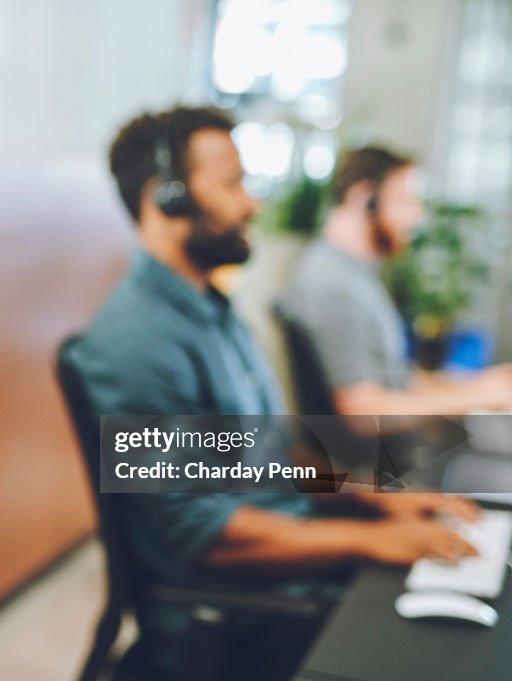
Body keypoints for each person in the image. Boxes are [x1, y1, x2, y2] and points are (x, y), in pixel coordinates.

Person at [67, 106, 480, 681]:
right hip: (248, 611)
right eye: (233, 184)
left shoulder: (212, 313)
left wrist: (371, 498)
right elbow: (204, 534)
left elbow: (270, 456)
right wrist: (369, 539)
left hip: (297, 568)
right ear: (167, 197)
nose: (252, 203)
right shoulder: (137, 344)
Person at [279, 146, 512, 419]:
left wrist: (475, 387)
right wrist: (482, 399)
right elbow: (362, 409)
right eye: (405, 200)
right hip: (380, 459)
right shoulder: (334, 284)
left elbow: (391, 382)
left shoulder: (356, 275)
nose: (417, 217)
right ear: (364, 198)